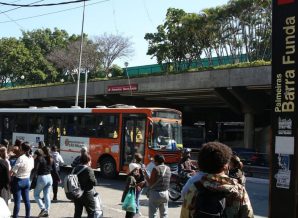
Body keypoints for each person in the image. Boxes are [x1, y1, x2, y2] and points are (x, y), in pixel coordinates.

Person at [180, 142, 254, 218]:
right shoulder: (239, 190)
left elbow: (185, 214)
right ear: (225, 166)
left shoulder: (194, 188)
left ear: (202, 164)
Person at [142, 154, 171, 218]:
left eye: (154, 161)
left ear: (156, 161)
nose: (153, 162)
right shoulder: (168, 168)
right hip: (165, 193)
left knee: (153, 214)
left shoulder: (155, 169)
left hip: (156, 194)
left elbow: (150, 183)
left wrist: (146, 175)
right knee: (164, 214)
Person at [11, 142, 34, 218]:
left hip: (18, 181)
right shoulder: (31, 158)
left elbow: (14, 171)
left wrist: (11, 173)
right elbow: (32, 168)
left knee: (17, 202)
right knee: (27, 201)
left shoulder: (21, 158)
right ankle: (27, 216)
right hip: (27, 180)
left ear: (21, 149)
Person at [33, 147, 58, 217]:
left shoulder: (40, 159)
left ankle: (43, 208)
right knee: (47, 195)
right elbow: (55, 170)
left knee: (36, 194)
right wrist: (58, 178)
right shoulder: (51, 158)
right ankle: (47, 211)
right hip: (50, 178)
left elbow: (35, 169)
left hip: (42, 178)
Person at [73, 153, 97, 218]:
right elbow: (94, 182)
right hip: (87, 194)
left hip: (77, 194)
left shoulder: (75, 169)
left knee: (77, 212)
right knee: (91, 212)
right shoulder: (89, 169)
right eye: (90, 161)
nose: (91, 162)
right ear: (88, 160)